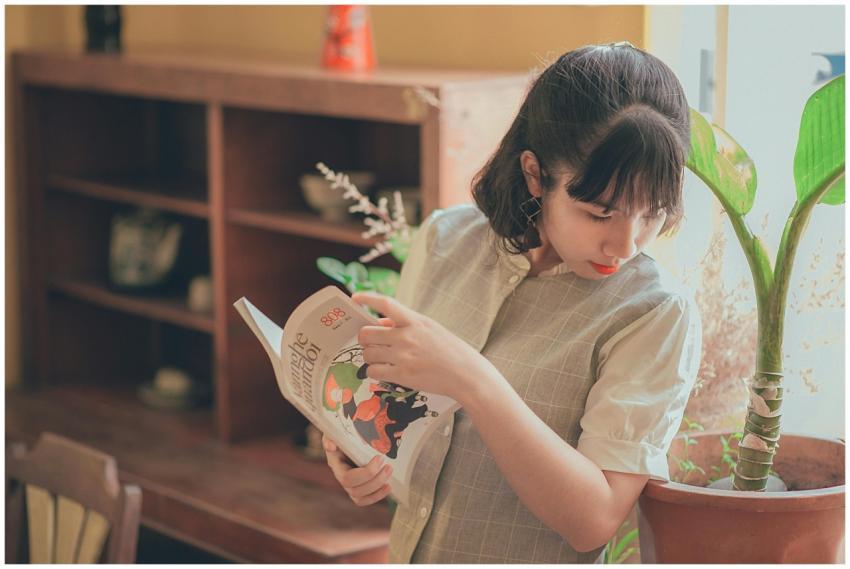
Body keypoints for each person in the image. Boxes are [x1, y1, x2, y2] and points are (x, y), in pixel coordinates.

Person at [322, 42, 702, 563]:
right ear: (534, 173)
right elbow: (393, 412)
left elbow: (593, 520)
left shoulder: (653, 313)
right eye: (599, 212)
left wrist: (474, 381)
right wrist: (351, 449)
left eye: (652, 213)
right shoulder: (445, 240)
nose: (627, 243)